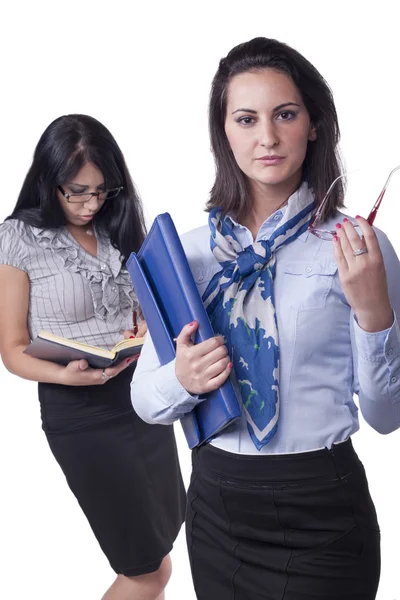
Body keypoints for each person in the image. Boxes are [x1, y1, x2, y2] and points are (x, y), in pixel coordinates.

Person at [131, 37, 400, 599]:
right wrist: (180, 379)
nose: (268, 138)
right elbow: (144, 399)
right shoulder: (188, 254)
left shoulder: (359, 248)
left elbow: (386, 415)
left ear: (314, 125)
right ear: (224, 133)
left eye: (285, 115)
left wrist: (375, 311)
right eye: (246, 119)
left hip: (322, 509)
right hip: (218, 505)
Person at [0, 114, 186, 600]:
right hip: (80, 413)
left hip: (143, 400)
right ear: (49, 180)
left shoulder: (116, 227)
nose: (90, 204)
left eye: (102, 191)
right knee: (144, 569)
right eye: (76, 191)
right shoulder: (18, 238)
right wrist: (69, 376)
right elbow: (12, 352)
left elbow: (145, 307)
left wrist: (146, 322)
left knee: (160, 549)